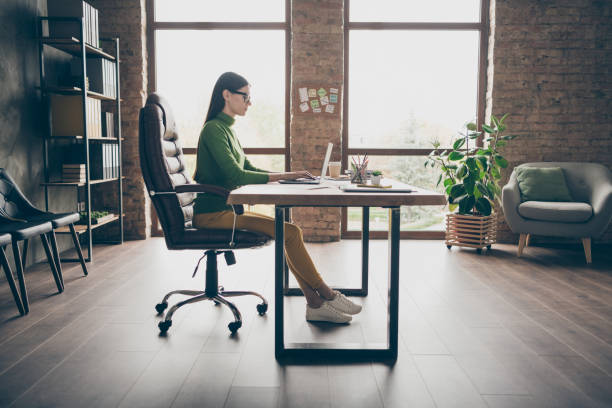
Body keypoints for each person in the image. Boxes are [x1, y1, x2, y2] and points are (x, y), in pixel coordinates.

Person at [192, 72, 361, 324]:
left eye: (250, 98)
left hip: (225, 212)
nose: (249, 103)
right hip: (212, 216)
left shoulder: (227, 130)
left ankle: (315, 303)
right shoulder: (214, 130)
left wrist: (288, 176)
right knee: (290, 234)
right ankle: (326, 294)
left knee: (289, 233)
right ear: (226, 95)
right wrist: (285, 175)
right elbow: (235, 174)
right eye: (245, 97)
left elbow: (249, 167)